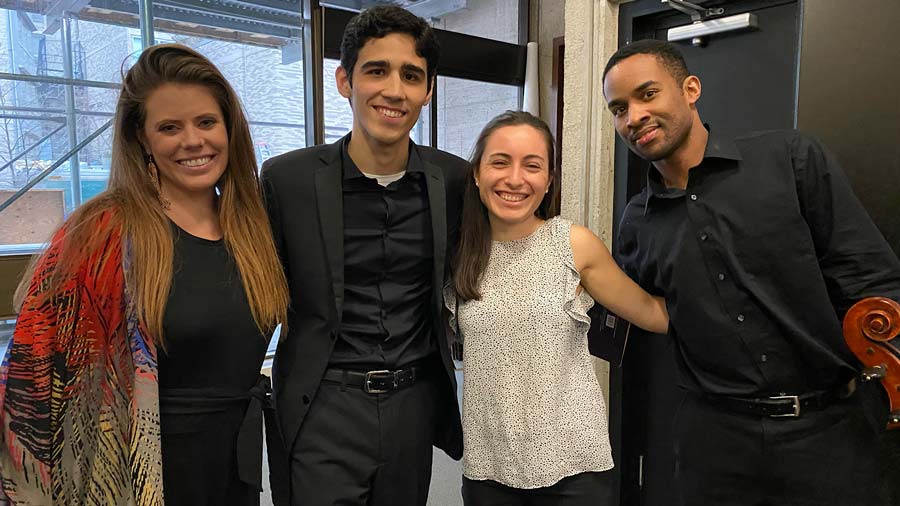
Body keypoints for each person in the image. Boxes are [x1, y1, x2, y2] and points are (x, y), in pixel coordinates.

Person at [602, 39, 900, 506]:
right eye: (618, 109)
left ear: (691, 88)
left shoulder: (790, 160)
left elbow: (869, 280)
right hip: (715, 444)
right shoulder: (637, 221)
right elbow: (649, 314)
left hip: (831, 432)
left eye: (647, 94)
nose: (633, 117)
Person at [0, 44, 289, 506]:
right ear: (141, 138)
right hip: (138, 475)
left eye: (206, 122)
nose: (193, 141)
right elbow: (30, 383)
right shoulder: (101, 234)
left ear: (230, 129)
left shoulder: (254, 227)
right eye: (169, 128)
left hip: (235, 467)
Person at [260, 6, 468, 506]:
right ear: (344, 81)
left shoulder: (454, 181)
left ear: (428, 89)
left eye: (411, 76)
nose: (394, 90)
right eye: (376, 70)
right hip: (323, 404)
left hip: (413, 405)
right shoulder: (287, 180)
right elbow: (255, 291)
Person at [445, 110, 668, 505]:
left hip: (575, 468)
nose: (515, 179)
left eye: (532, 166)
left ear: (548, 181)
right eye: (500, 162)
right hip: (489, 468)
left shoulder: (572, 244)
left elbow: (651, 312)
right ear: (477, 173)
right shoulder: (458, 254)